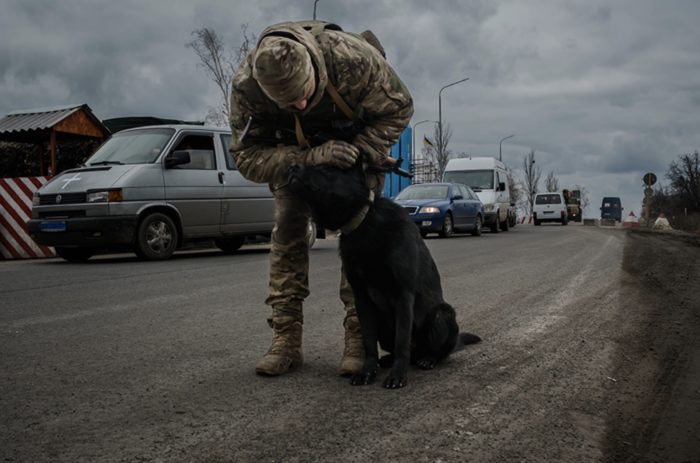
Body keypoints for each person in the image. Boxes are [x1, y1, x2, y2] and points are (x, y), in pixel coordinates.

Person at [229, 20, 413, 377]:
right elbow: (246, 158)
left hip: (353, 150)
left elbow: (400, 108)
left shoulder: (352, 59)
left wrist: (359, 153)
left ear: (315, 68)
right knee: (288, 232)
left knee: (362, 238)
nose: (298, 103)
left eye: (304, 93)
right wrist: (311, 158)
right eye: (287, 102)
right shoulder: (246, 88)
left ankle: (360, 337)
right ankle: (285, 340)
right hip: (294, 158)